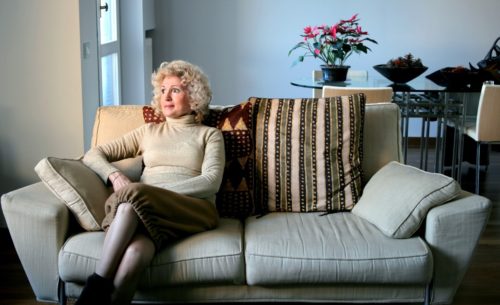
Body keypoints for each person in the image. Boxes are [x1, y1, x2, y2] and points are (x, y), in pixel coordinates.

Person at [76, 60, 225, 305]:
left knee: (130, 200)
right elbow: (93, 154)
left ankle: (95, 286)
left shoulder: (209, 135)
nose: (166, 95)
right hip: (146, 211)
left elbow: (210, 182)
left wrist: (149, 192)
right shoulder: (148, 132)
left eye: (175, 90)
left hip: (192, 209)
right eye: (163, 89)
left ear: (195, 97)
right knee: (135, 252)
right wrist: (115, 176)